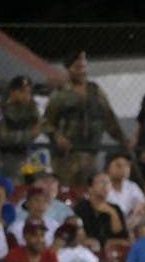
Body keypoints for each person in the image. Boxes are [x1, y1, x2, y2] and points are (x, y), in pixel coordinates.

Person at [43, 51, 128, 186]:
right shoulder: (60, 94)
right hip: (67, 158)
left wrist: (123, 140)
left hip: (91, 153)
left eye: (83, 67)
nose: (81, 71)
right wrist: (57, 137)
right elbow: (46, 122)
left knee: (89, 189)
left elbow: (109, 119)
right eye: (77, 67)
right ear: (69, 69)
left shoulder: (96, 91)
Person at [0, 76, 41, 181]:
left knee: (37, 174)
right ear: (12, 92)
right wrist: (29, 134)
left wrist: (33, 133)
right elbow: (3, 136)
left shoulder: (30, 106)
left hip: (19, 155)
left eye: (29, 92)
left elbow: (38, 126)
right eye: (23, 92)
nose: (27, 96)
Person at [74, 171, 127, 251]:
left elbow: (121, 236)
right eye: (101, 182)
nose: (106, 186)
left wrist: (113, 213)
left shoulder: (115, 208)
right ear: (90, 188)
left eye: (108, 182)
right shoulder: (80, 208)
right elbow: (79, 235)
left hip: (112, 251)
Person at [105, 152, 145, 218]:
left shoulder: (132, 187)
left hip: (131, 223)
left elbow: (142, 205)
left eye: (126, 165)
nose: (123, 169)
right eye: (118, 165)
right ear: (108, 167)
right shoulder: (102, 185)